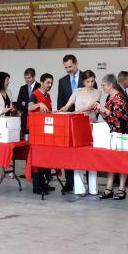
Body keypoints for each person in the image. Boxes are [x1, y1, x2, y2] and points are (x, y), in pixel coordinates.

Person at [59, 69, 101, 195]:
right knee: (77, 157)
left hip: (91, 125)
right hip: (77, 125)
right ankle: (79, 188)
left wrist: (77, 111)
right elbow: (67, 105)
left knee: (91, 157)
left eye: (92, 81)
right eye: (88, 81)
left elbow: (90, 106)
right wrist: (61, 110)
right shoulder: (77, 91)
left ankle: (93, 188)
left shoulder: (97, 92)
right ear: (83, 81)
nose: (91, 83)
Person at [92, 74, 128, 200]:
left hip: (121, 134)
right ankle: (109, 188)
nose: (102, 87)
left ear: (110, 85)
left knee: (122, 162)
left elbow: (117, 117)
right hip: (113, 133)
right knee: (111, 161)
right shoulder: (110, 97)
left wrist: (104, 109)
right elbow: (109, 119)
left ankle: (122, 188)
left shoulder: (120, 98)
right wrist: (101, 111)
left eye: (103, 85)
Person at [57, 54, 83, 193]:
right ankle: (69, 182)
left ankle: (82, 181)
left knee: (82, 153)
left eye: (70, 66)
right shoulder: (62, 81)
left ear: (76, 63)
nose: (68, 70)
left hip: (83, 121)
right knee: (68, 152)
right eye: (66, 67)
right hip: (67, 122)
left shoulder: (87, 78)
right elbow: (60, 103)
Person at [28, 73, 55, 194]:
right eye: (48, 83)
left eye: (51, 83)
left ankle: (43, 183)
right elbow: (29, 107)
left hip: (46, 132)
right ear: (42, 82)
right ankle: (37, 187)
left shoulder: (48, 96)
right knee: (36, 160)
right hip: (36, 132)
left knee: (45, 159)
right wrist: (39, 104)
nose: (50, 85)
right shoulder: (34, 95)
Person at [16, 68, 40, 136]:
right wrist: (29, 105)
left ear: (34, 76)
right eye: (25, 78)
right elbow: (18, 104)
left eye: (29, 78)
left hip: (36, 118)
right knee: (25, 138)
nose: (27, 80)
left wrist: (25, 104)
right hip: (24, 119)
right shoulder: (22, 88)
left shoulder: (40, 87)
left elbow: (39, 104)